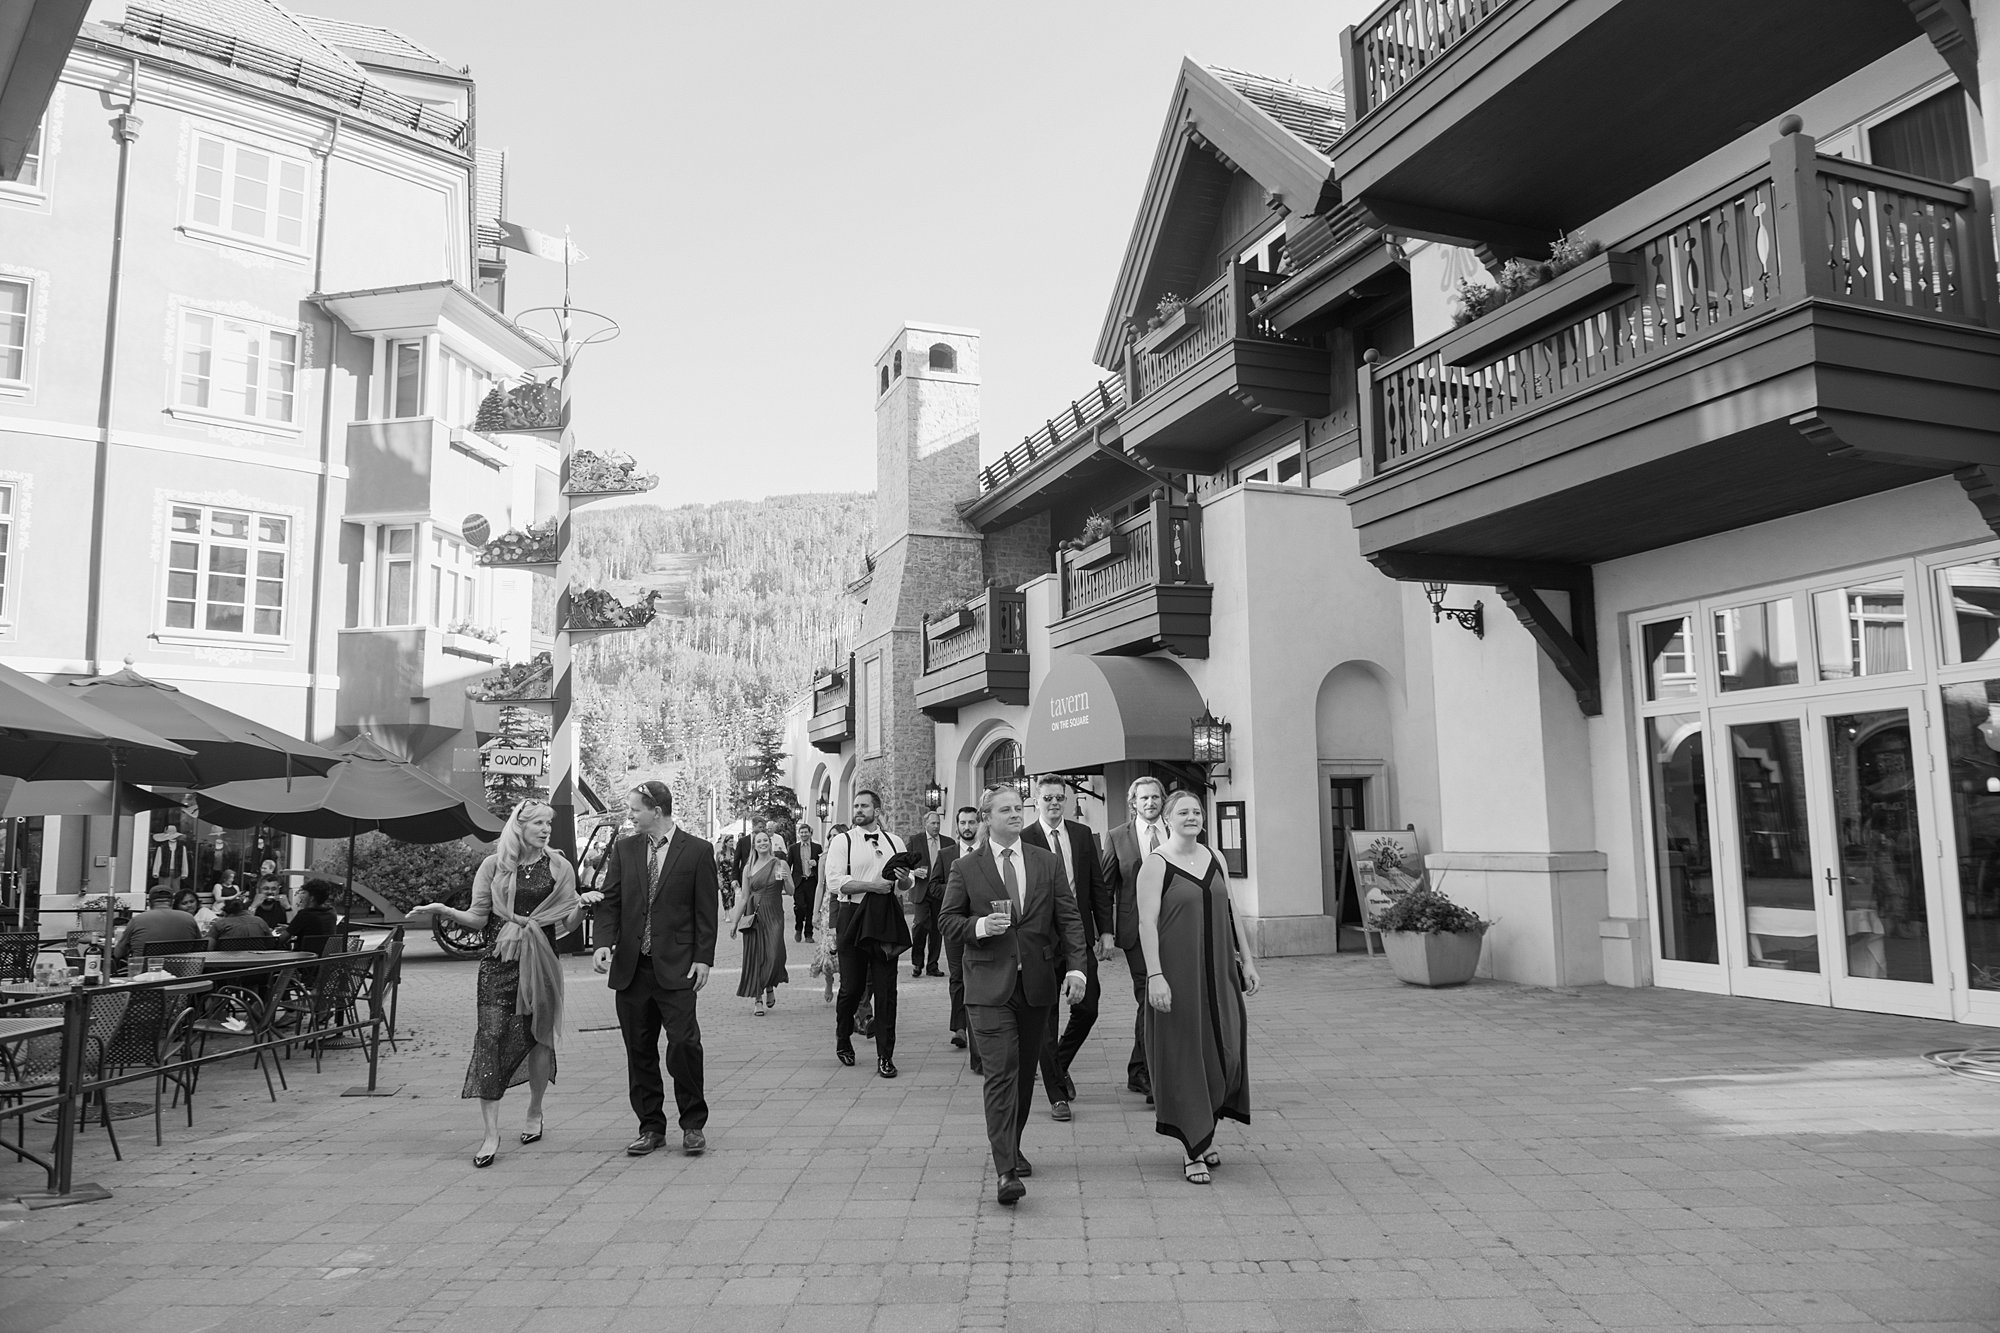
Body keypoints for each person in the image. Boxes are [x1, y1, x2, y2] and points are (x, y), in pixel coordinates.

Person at [939, 784, 1088, 1207]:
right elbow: (948, 920)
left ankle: (1012, 1144)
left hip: (1036, 983)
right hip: (987, 986)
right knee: (1001, 1071)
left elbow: (1068, 917)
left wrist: (1076, 966)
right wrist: (980, 928)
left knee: (1023, 1077)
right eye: (1004, 810)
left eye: (1018, 808)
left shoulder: (1046, 861)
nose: (1015, 814)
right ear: (986, 818)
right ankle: (1005, 1172)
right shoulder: (967, 867)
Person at [417, 801, 582, 1168]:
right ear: (518, 827)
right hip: (497, 965)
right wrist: (444, 911)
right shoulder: (494, 866)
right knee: (489, 1040)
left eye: (548, 824)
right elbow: (477, 918)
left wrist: (583, 904)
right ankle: (491, 1134)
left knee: (539, 1038)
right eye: (538, 823)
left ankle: (535, 1111)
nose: (544, 829)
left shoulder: (560, 866)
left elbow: (569, 925)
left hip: (540, 964)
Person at [1139, 789, 1260, 1185]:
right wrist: (1155, 975)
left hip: (1220, 969)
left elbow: (1232, 911)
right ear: (1168, 818)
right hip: (1178, 973)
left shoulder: (1216, 857)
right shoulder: (1156, 864)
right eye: (1183, 812)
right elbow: (1146, 924)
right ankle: (1194, 1148)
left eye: (1196, 811)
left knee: (1225, 1050)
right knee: (1187, 1055)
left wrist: (1248, 960)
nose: (1192, 817)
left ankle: (1205, 1129)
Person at [592, 780, 719, 1158]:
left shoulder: (697, 851)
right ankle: (650, 1127)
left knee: (684, 1045)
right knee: (639, 1050)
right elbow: (610, 901)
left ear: (656, 811)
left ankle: (693, 1124)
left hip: (678, 968)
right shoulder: (625, 849)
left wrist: (704, 957)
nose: (629, 816)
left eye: (634, 809)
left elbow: (704, 911)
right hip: (633, 969)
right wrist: (602, 942)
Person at [1021, 775, 1107, 1123]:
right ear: (1036, 801)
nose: (1054, 804)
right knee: (1045, 1020)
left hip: (1078, 938)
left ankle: (1058, 1063)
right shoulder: (1026, 839)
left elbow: (1096, 886)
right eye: (1048, 798)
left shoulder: (1083, 835)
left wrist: (1106, 931)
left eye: (1060, 798)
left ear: (1068, 801)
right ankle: (1057, 1094)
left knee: (1088, 1008)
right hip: (1041, 940)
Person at [825, 791, 911, 1077]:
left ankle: (886, 1056)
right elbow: (835, 883)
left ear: (877, 809)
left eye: (864, 806)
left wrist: (906, 879)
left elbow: (904, 886)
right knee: (852, 987)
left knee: (887, 990)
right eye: (856, 805)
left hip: (885, 918)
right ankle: (842, 1037)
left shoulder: (894, 841)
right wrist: (873, 886)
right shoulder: (843, 841)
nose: (858, 810)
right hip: (852, 916)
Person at [1101, 775, 1171, 1103]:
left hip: (1174, 928)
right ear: (1134, 803)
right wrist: (1105, 932)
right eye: (1144, 799)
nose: (1150, 803)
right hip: (1136, 931)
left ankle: (1137, 1067)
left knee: (1164, 997)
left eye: (1156, 797)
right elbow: (1104, 888)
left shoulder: (1177, 833)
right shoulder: (1117, 837)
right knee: (1149, 995)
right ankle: (1149, 1075)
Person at [728, 829, 790, 1015]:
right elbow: (744, 897)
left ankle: (769, 984)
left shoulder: (780, 863)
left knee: (774, 955)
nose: (763, 843)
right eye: (759, 841)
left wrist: (787, 880)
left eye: (765, 840)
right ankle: (758, 999)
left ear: (770, 843)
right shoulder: (749, 867)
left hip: (774, 914)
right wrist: (734, 922)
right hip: (754, 914)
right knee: (755, 956)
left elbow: (791, 891)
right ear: (754, 845)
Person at [937, 805, 978, 1059]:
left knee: (977, 975)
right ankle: (959, 1027)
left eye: (972, 822)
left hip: (979, 924)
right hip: (954, 925)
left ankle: (977, 1027)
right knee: (957, 976)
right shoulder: (946, 855)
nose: (967, 827)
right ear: (957, 826)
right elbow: (932, 887)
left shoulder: (987, 852)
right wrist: (956, 891)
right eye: (963, 823)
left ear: (979, 825)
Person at [110, 887, 202, 972]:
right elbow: (200, 948)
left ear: (149, 903)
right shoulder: (189, 918)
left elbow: (118, 953)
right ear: (172, 902)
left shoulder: (137, 920)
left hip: (144, 977)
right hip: (182, 975)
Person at [906, 810, 950, 979]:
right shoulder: (915, 841)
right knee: (920, 926)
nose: (936, 826)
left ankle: (933, 965)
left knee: (937, 929)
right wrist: (913, 871)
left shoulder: (948, 842)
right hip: (921, 890)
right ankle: (917, 963)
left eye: (938, 823)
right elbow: (904, 862)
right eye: (933, 823)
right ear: (925, 824)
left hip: (939, 891)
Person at [286, 880, 343, 956]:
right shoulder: (331, 912)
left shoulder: (304, 915)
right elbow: (314, 928)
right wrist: (291, 927)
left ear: (311, 898)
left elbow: (282, 939)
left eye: (304, 893)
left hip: (303, 960)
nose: (301, 896)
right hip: (324, 960)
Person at [206, 891, 273, 946]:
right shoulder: (260, 922)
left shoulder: (220, 924)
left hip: (229, 961)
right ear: (245, 909)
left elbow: (208, 947)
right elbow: (271, 944)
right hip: (257, 960)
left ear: (225, 913)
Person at [791, 820, 820, 942]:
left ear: (810, 833)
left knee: (810, 908)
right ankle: (798, 928)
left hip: (812, 881)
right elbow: (788, 864)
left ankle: (809, 934)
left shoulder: (817, 847)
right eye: (801, 832)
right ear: (799, 834)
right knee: (800, 907)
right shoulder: (793, 848)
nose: (803, 835)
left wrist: (816, 863)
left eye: (805, 832)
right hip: (799, 881)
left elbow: (822, 864)